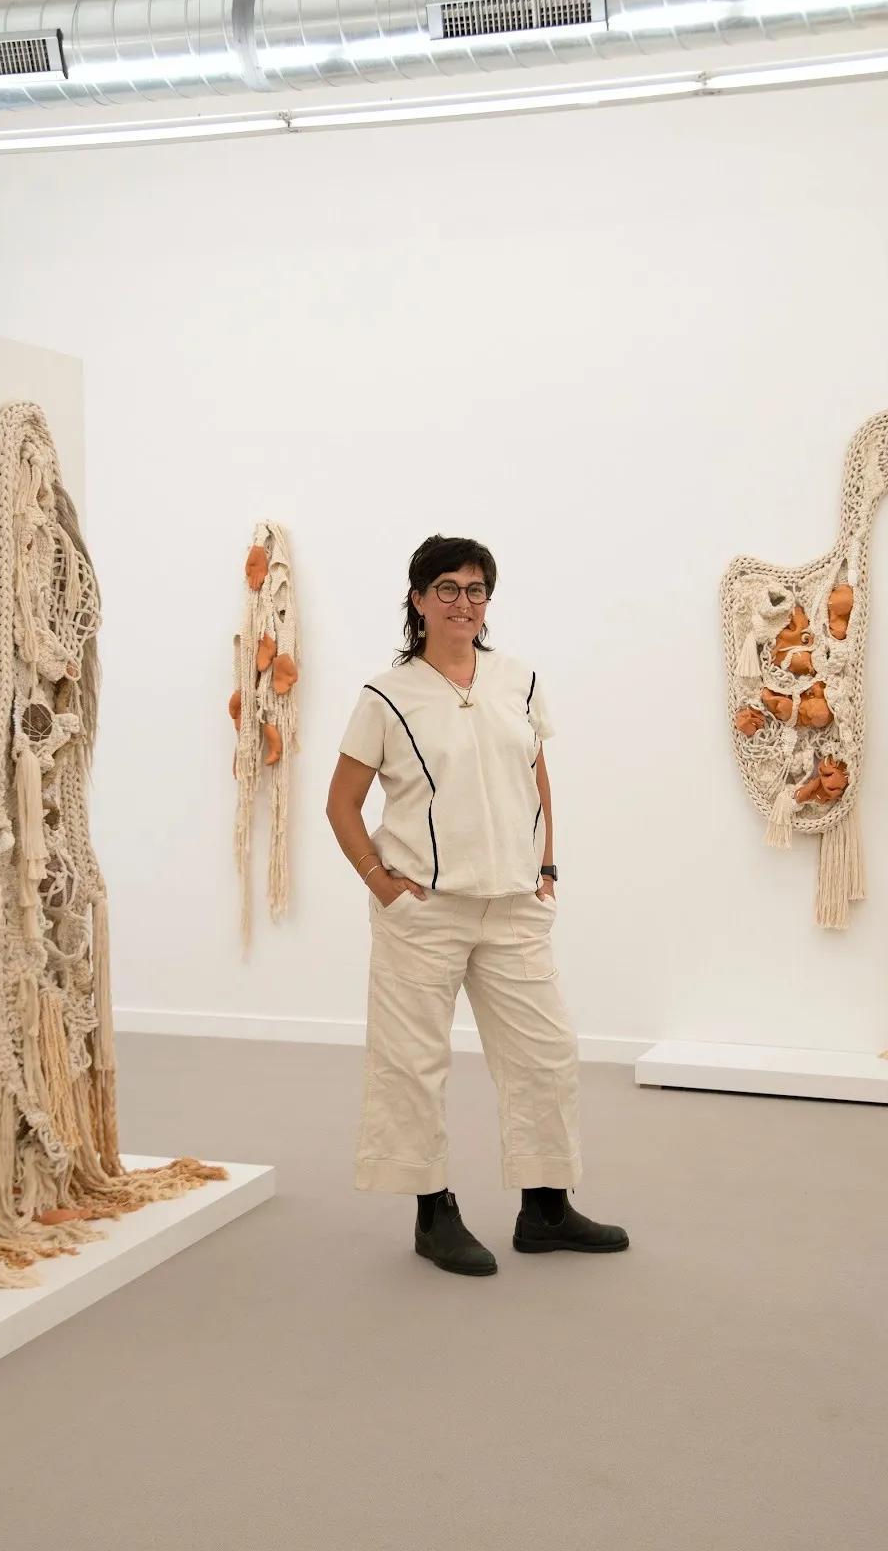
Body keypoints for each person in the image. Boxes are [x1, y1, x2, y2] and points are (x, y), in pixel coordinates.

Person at [326, 535, 628, 1277]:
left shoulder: (517, 681)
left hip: (515, 907)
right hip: (425, 911)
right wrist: (382, 883)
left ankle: (546, 1208)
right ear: (419, 599)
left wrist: (547, 865)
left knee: (547, 1054)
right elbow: (341, 804)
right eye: (449, 588)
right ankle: (434, 1213)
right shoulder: (386, 696)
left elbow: (536, 777)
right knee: (413, 1065)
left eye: (477, 588)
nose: (465, 601)